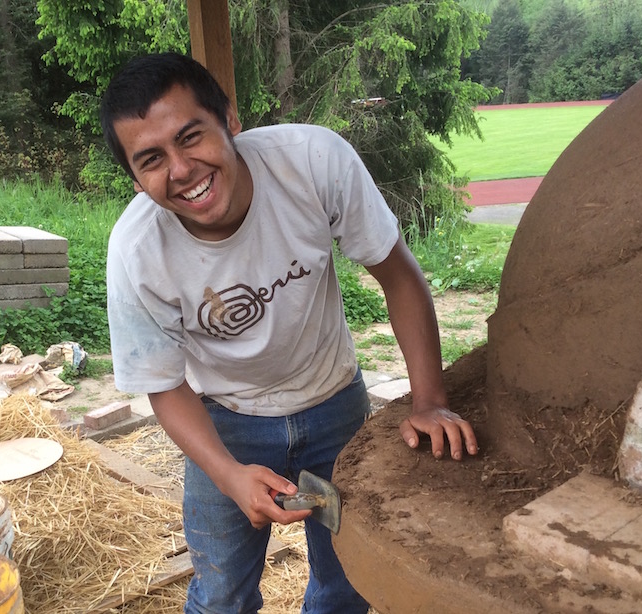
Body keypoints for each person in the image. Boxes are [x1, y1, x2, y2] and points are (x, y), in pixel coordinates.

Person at [100, 52, 478, 614]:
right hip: (222, 420)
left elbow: (397, 275)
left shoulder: (312, 161)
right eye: (152, 159)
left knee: (348, 580)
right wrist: (228, 476)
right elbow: (164, 384)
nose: (181, 170)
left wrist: (429, 399)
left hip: (334, 407)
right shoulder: (135, 252)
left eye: (191, 137)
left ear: (230, 120)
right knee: (221, 593)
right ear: (135, 178)